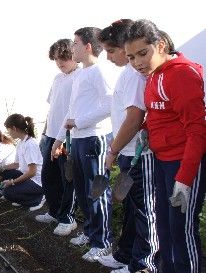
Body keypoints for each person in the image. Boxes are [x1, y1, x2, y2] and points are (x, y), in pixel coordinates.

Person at [125, 19, 206, 273]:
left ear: (160, 45)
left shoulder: (182, 74)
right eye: (131, 57)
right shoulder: (152, 76)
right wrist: (146, 131)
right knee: (165, 226)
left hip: (185, 163)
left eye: (142, 53)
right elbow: (159, 114)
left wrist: (185, 177)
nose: (137, 62)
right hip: (162, 161)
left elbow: (198, 130)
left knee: (182, 229)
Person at [97, 19, 158, 273]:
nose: (109, 57)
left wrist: (111, 151)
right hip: (127, 151)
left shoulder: (134, 75)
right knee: (133, 209)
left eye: (111, 51)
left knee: (144, 210)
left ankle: (145, 263)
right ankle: (126, 256)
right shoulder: (127, 74)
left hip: (138, 154)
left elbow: (134, 118)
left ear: (124, 46)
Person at [52, 27, 114, 261]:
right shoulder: (81, 74)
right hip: (78, 139)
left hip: (93, 138)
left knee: (96, 191)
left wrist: (79, 122)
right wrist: (58, 139)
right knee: (82, 189)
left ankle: (103, 241)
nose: (72, 47)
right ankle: (90, 233)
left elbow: (109, 104)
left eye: (76, 43)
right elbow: (70, 111)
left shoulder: (99, 71)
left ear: (88, 46)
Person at [35, 39, 79, 236]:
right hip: (51, 134)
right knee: (49, 176)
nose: (60, 63)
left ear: (73, 56)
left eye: (64, 59)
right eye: (57, 59)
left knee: (67, 178)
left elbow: (74, 111)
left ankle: (67, 218)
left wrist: (65, 138)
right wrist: (45, 134)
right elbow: (51, 109)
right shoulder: (57, 78)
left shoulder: (79, 77)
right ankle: (53, 211)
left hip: (68, 136)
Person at [0, 114, 45, 210]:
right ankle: (23, 197)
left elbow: (32, 172)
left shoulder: (30, 144)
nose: (8, 133)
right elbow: (17, 164)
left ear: (14, 128)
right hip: (28, 177)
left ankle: (39, 198)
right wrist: (1, 167)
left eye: (8, 130)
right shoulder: (21, 143)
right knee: (4, 172)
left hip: (37, 182)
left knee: (7, 193)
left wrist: (12, 182)